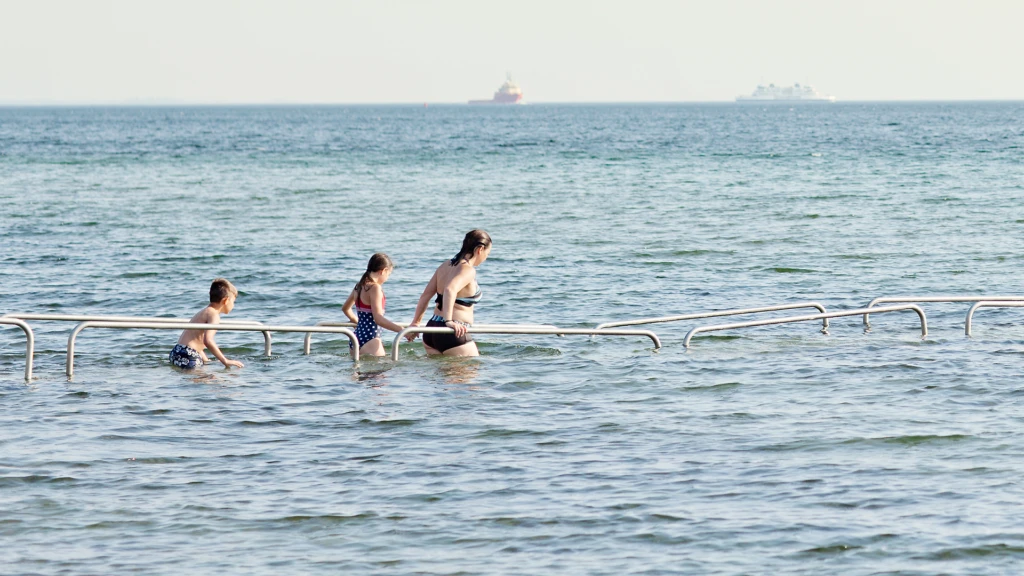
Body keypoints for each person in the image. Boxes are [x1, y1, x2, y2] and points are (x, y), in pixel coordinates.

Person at [408, 230, 491, 356]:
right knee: (473, 371)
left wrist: (416, 322)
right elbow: (450, 289)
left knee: (442, 374)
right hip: (452, 333)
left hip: (431, 328)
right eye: (487, 253)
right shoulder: (468, 270)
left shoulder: (445, 265)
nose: (486, 258)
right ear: (480, 249)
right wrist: (448, 321)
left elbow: (425, 295)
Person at [169, 278, 245, 370]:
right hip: (188, 355)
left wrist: (206, 360)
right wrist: (225, 360)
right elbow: (207, 340)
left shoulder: (204, 312)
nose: (233, 305)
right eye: (233, 302)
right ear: (225, 301)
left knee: (204, 378)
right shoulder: (214, 315)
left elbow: (197, 342)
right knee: (211, 381)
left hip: (177, 351)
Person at [342, 253, 404, 357]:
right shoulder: (375, 288)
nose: (387, 278)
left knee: (361, 372)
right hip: (371, 339)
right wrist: (402, 331)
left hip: (356, 337)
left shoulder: (359, 286)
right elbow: (378, 318)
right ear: (383, 271)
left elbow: (346, 309)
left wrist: (359, 323)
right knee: (381, 372)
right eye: (388, 274)